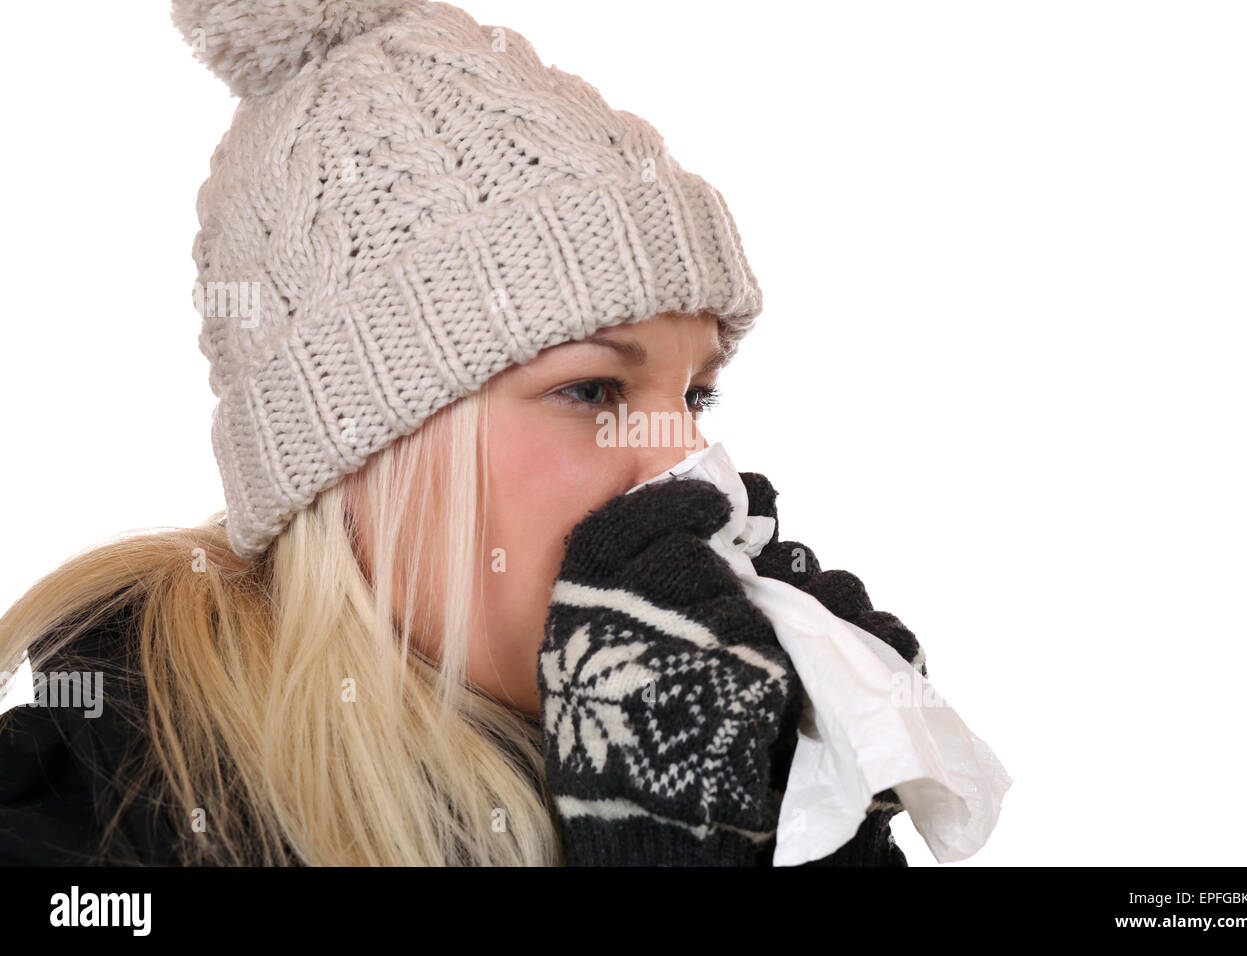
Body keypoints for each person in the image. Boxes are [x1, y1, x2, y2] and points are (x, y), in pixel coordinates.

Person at [0, 0, 926, 866]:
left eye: (699, 397)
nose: (692, 466)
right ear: (356, 452)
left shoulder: (719, 762)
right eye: (594, 389)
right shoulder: (76, 835)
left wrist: (807, 816)